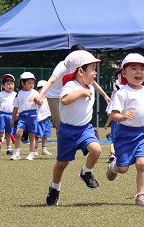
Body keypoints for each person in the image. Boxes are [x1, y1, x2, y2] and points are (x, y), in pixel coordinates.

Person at [105, 53, 144, 207]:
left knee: (142, 163)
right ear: (124, 73)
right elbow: (113, 114)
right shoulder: (122, 92)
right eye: (133, 68)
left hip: (143, 134)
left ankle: (141, 195)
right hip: (124, 134)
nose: (138, 72)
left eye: (142, 69)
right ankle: (114, 167)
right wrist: (122, 117)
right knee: (123, 168)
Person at [45, 50, 102, 206]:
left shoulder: (89, 86)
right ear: (80, 71)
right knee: (62, 164)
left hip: (85, 129)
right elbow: (64, 100)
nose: (95, 73)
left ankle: (86, 172)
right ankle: (54, 188)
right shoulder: (71, 85)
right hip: (67, 131)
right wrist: (81, 92)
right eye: (92, 69)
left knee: (96, 150)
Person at [37, 44, 110, 129]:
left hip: (71, 94)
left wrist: (104, 95)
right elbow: (51, 81)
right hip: (54, 97)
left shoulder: (82, 68)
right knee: (60, 125)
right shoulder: (63, 65)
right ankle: (63, 141)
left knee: (71, 122)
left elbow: (93, 82)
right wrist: (40, 95)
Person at [10, 72, 42, 160]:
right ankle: (17, 153)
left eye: (33, 83)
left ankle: (31, 153)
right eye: (29, 83)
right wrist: (13, 119)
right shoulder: (19, 93)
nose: (31, 85)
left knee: (32, 135)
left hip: (32, 115)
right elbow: (15, 107)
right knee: (18, 133)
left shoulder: (35, 92)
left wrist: (36, 100)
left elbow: (40, 103)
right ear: (22, 83)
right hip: (22, 116)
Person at [0, 74, 17, 156]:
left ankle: (9, 149)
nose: (10, 86)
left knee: (9, 134)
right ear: (3, 85)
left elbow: (18, 106)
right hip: (2, 115)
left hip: (11, 115)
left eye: (12, 84)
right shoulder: (1, 94)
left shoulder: (15, 94)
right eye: (8, 84)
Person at [103, 68, 123, 163]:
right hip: (122, 121)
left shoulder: (116, 94)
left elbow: (112, 113)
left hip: (119, 121)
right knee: (117, 139)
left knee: (114, 139)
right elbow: (113, 113)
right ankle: (114, 154)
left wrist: (107, 123)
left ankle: (113, 154)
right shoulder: (119, 94)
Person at [34, 80, 53, 156]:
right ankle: (34, 149)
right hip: (38, 119)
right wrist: (41, 97)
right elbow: (38, 105)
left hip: (46, 118)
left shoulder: (48, 98)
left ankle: (44, 149)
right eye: (41, 88)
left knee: (45, 135)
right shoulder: (37, 97)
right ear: (38, 89)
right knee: (37, 136)